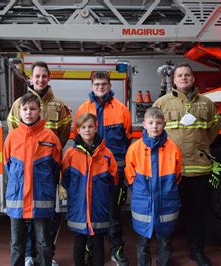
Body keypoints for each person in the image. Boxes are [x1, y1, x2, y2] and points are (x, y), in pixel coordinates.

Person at [153, 63, 221, 266]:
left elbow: (213, 129)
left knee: (196, 213)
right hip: (171, 170)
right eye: (179, 75)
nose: (183, 78)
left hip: (198, 168)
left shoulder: (207, 104)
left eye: (187, 75)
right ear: (173, 80)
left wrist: (199, 147)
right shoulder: (162, 103)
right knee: (167, 214)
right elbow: (154, 131)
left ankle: (197, 251)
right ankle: (165, 253)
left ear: (193, 79)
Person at [7, 61, 71, 266]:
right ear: (31, 77)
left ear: (49, 77)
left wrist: (44, 152)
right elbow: (9, 160)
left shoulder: (59, 106)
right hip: (22, 179)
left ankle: (45, 259)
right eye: (37, 76)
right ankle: (28, 256)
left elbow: (62, 138)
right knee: (18, 239)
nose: (40, 79)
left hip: (42, 175)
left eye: (44, 76)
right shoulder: (18, 104)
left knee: (44, 236)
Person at [74, 71, 132, 265]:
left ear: (110, 85)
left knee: (114, 213)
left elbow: (128, 139)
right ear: (91, 86)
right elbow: (78, 140)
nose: (101, 87)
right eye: (97, 84)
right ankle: (91, 248)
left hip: (114, 171)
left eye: (104, 84)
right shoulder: (83, 109)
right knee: (90, 212)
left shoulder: (122, 109)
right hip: (89, 173)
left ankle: (117, 249)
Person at [3, 92, 62, 266]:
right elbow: (8, 165)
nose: (29, 112)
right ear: (19, 112)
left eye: (33, 109)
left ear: (40, 111)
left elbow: (56, 166)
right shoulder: (12, 137)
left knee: (44, 242)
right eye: (25, 109)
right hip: (18, 198)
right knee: (17, 244)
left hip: (40, 198)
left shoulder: (50, 137)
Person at [125, 107, 182, 266]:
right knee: (143, 242)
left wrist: (169, 189)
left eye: (158, 123)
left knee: (165, 240)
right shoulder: (135, 148)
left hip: (166, 201)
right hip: (144, 202)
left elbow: (178, 173)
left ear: (164, 124)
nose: (154, 126)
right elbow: (129, 174)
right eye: (151, 123)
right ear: (144, 124)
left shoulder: (172, 147)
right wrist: (139, 190)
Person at [61, 113, 118, 266]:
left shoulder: (106, 154)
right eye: (83, 127)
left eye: (90, 126)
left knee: (98, 241)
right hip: (78, 206)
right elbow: (65, 178)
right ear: (77, 130)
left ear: (96, 128)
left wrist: (103, 195)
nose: (87, 130)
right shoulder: (71, 154)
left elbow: (113, 179)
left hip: (99, 206)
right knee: (79, 240)